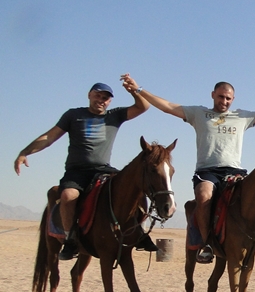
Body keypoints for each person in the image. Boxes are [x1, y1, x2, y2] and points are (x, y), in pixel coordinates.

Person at [121, 74, 255, 263]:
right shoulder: (199, 114)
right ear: (213, 95)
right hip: (207, 171)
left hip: (235, 172)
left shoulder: (242, 117)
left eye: (228, 98)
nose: (224, 101)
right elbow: (167, 106)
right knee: (203, 196)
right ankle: (207, 243)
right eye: (220, 96)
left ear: (233, 99)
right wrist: (139, 90)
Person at [15, 79, 153, 260]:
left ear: (110, 101)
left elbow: (144, 106)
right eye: (98, 95)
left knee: (135, 189)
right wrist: (25, 152)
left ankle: (140, 232)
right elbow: (50, 136)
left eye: (106, 98)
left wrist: (134, 90)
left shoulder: (114, 115)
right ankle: (70, 239)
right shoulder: (73, 115)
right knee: (68, 196)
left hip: (104, 170)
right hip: (77, 171)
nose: (101, 100)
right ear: (89, 95)